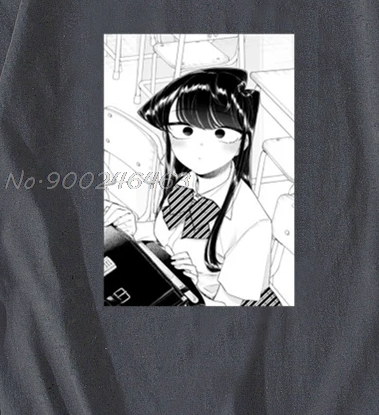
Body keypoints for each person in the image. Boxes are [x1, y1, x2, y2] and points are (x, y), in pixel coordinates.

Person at [104, 67, 279, 306]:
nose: (199, 146)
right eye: (186, 131)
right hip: (173, 282)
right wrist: (133, 228)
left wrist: (200, 279)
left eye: (219, 133)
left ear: (243, 142)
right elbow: (167, 235)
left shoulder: (253, 223)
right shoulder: (187, 181)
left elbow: (236, 302)